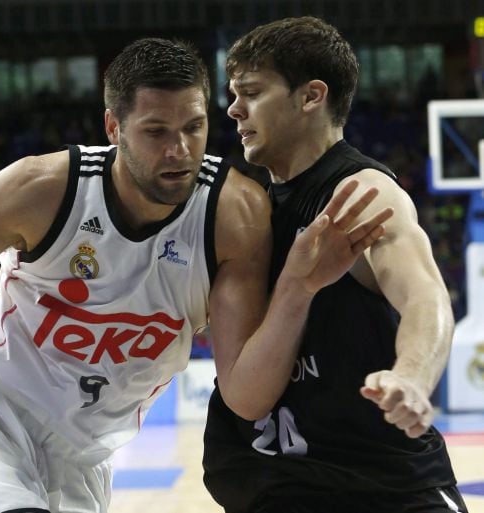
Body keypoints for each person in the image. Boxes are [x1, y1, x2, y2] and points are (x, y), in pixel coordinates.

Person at [0, 38, 390, 513]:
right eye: (155, 132)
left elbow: (247, 394)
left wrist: (297, 288)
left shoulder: (234, 216)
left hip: (85, 461)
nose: (178, 150)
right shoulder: (40, 190)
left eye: (194, 128)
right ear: (114, 128)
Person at [202, 17, 466, 513]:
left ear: (310, 96)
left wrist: (410, 376)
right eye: (234, 94)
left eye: (252, 92)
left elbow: (425, 296)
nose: (234, 109)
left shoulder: (359, 193)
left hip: (381, 486)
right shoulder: (243, 206)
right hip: (277, 483)